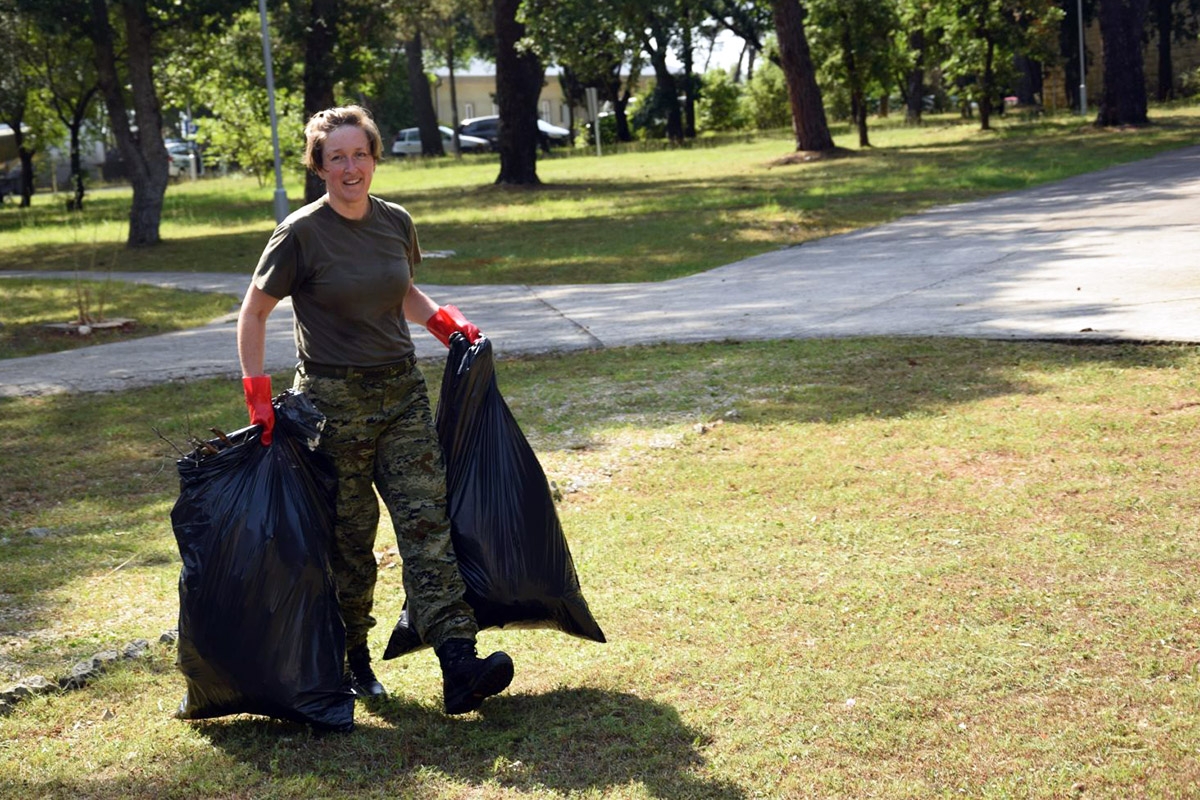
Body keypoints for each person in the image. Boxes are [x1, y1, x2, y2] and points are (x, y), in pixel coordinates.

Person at [236, 104, 513, 716]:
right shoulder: (300, 233)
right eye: (336, 156)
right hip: (332, 408)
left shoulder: (396, 221)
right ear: (319, 165)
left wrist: (451, 327)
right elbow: (254, 313)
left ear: (374, 157)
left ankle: (458, 662)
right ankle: (349, 659)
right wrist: (258, 397)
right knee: (350, 543)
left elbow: (403, 291)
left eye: (359, 153)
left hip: (401, 396)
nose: (350, 166)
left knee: (427, 527)